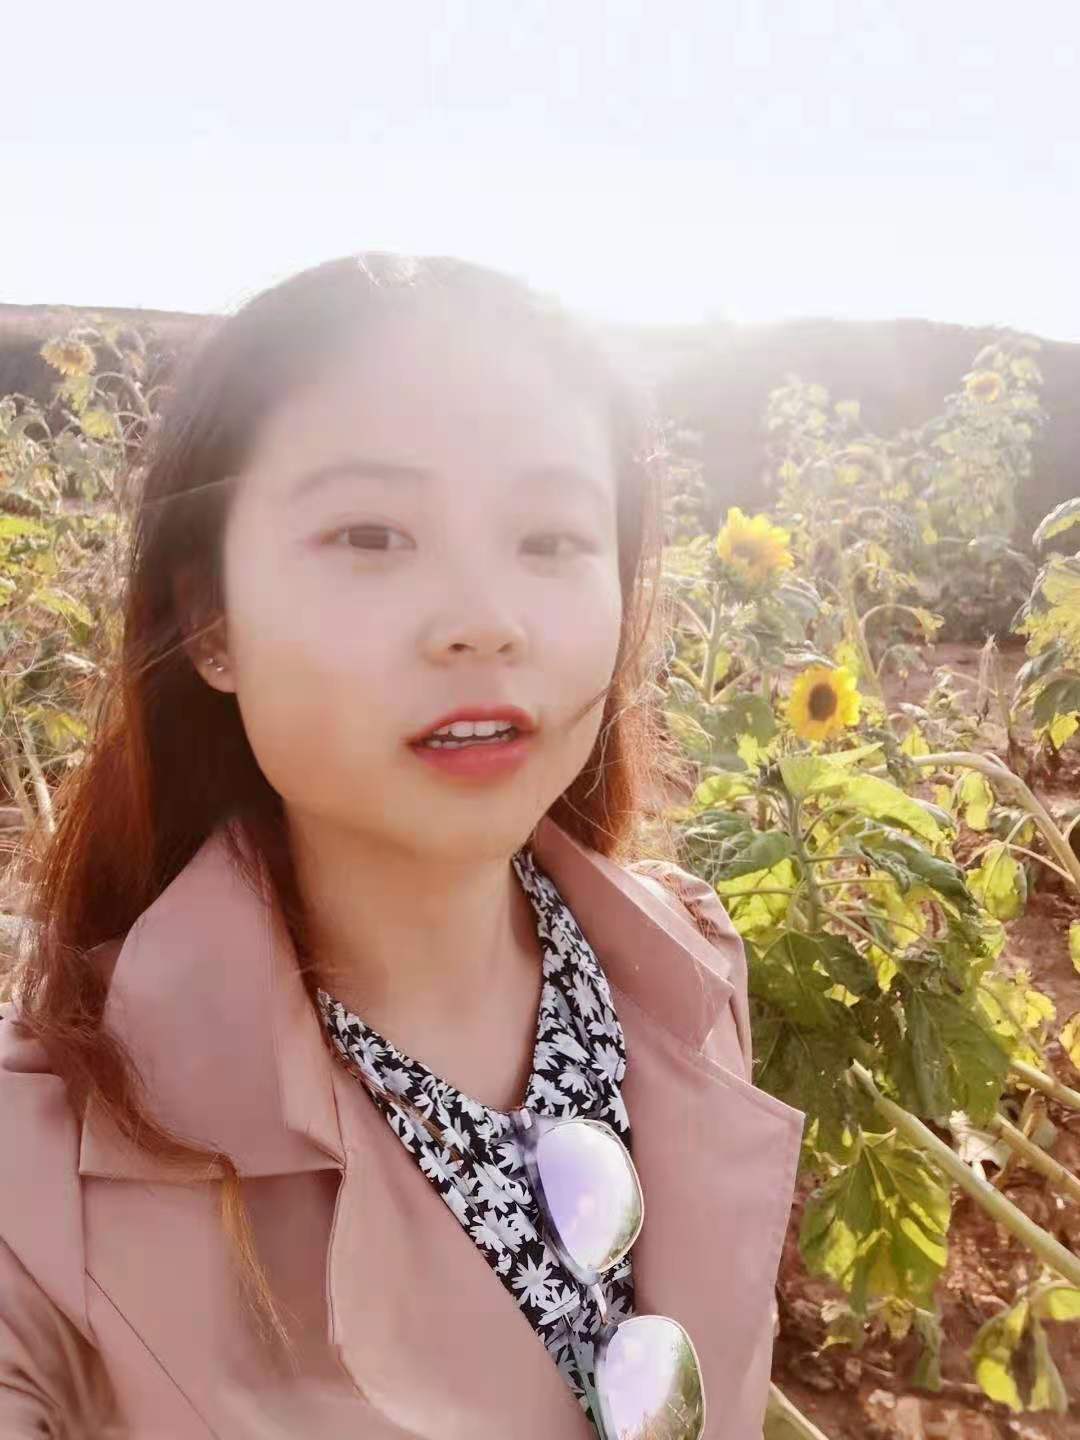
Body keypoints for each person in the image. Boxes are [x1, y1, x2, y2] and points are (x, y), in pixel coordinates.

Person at [0, 252, 804, 1440]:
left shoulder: (683, 959)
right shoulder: (50, 1170)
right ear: (208, 622)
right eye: (372, 534)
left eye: (550, 540)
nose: (487, 619)